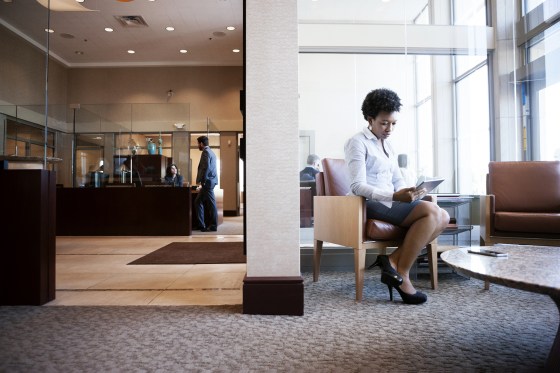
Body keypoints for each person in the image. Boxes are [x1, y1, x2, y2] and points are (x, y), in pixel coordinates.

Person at [344, 88, 449, 304]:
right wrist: (394, 195)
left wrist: (411, 191)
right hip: (368, 203)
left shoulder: (388, 146)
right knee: (431, 212)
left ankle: (391, 262)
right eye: (384, 123)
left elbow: (397, 180)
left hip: (390, 200)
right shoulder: (357, 142)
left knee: (443, 216)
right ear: (370, 119)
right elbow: (357, 186)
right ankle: (402, 273)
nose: (389, 128)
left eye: (393, 123)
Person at [194, 136, 218, 232]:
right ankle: (201, 224)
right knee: (197, 201)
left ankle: (213, 225)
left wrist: (203, 180)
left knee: (211, 204)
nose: (198, 146)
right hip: (210, 181)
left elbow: (206, 167)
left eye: (198, 144)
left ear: (201, 144)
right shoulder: (212, 152)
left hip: (207, 182)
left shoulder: (206, 152)